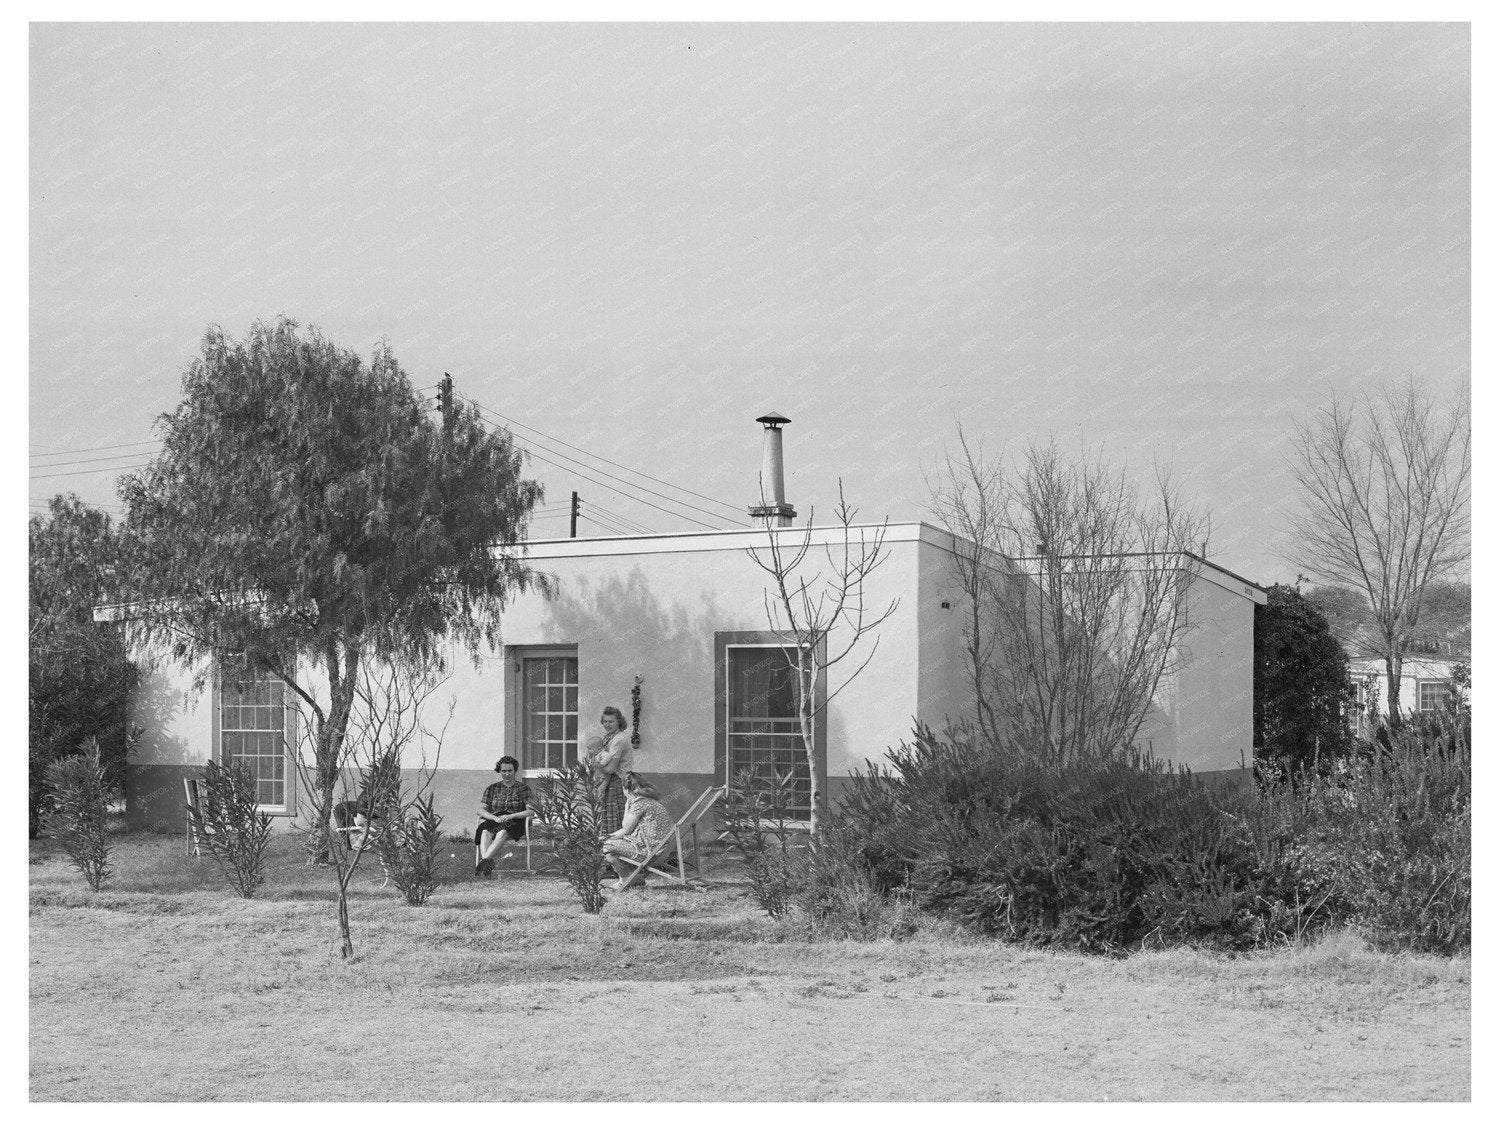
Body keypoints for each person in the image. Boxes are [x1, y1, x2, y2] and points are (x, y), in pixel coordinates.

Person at [602, 773, 673, 890]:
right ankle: (636, 878)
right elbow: (626, 831)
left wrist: (626, 806)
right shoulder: (650, 801)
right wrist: (608, 836)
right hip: (661, 849)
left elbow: (626, 828)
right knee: (612, 842)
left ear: (626, 789)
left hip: (650, 852)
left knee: (607, 847)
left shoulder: (639, 804)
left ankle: (625, 880)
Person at [474, 756, 533, 877]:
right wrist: (494, 818)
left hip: (515, 821)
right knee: (485, 832)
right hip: (496, 819)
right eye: (504, 771)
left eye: (510, 771)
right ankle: (486, 864)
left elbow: (531, 812)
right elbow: (480, 810)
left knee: (502, 832)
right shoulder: (492, 788)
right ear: (499, 771)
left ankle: (483, 863)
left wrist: (512, 815)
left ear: (515, 771)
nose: (507, 774)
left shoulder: (523, 789)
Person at [594, 705, 633, 835]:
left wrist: (595, 765)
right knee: (605, 815)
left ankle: (615, 849)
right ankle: (607, 848)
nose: (607, 724)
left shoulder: (619, 739)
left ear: (619, 722)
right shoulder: (607, 737)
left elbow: (611, 769)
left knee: (615, 817)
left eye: (611, 721)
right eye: (605, 721)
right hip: (608, 781)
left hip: (617, 781)